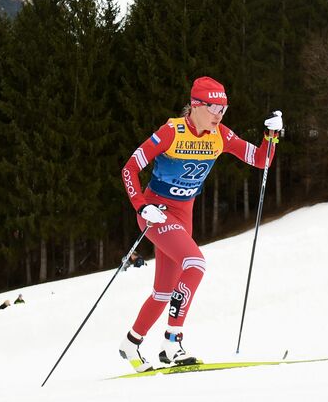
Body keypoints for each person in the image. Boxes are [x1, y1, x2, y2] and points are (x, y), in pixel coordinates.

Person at [119, 76, 282, 372]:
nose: (219, 115)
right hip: (157, 212)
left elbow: (262, 161)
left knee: (164, 292)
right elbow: (129, 168)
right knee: (195, 263)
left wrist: (270, 137)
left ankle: (131, 343)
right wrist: (142, 207)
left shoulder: (221, 135)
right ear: (195, 105)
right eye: (213, 107)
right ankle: (172, 342)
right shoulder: (171, 132)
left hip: (183, 215)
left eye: (224, 108)